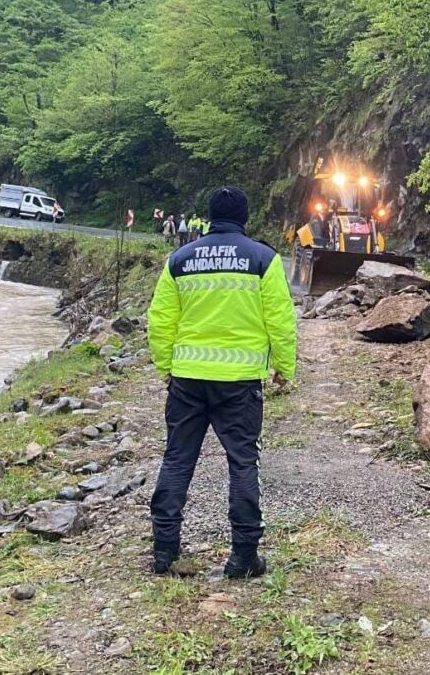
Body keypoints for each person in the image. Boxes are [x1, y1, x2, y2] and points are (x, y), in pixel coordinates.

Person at [147, 186, 297, 578]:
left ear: (209, 217)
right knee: (243, 463)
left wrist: (166, 365)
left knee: (177, 459)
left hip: (187, 379)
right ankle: (244, 557)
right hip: (240, 382)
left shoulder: (180, 259)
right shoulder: (263, 259)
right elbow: (280, 319)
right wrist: (284, 366)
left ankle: (164, 550)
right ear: (245, 218)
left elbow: (160, 320)